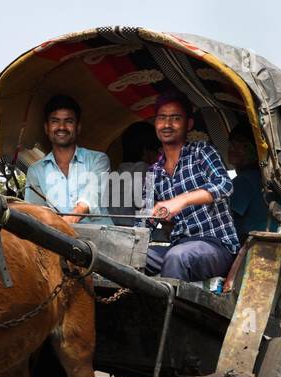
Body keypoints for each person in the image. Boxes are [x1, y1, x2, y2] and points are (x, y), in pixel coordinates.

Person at [143, 91, 238, 280]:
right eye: (162, 118)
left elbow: (224, 185)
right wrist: (151, 217)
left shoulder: (202, 151)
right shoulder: (152, 173)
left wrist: (181, 201)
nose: (167, 124)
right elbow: (145, 222)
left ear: (189, 124)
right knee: (134, 257)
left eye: (175, 118)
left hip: (216, 245)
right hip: (178, 245)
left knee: (177, 257)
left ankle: (171, 311)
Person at [24, 94, 111, 225]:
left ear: (78, 127)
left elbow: (91, 196)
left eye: (69, 121)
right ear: (46, 128)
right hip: (58, 241)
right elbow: (35, 215)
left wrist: (67, 222)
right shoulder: (35, 171)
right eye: (55, 121)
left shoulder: (98, 160)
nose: (62, 127)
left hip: (102, 240)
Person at [226, 123, 270, 245]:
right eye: (231, 142)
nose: (232, 147)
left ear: (256, 150)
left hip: (248, 247)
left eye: (241, 142)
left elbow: (221, 217)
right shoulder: (261, 179)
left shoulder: (245, 180)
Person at [109, 121, 160, 224]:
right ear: (146, 152)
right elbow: (148, 208)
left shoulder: (116, 173)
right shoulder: (144, 169)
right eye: (158, 152)